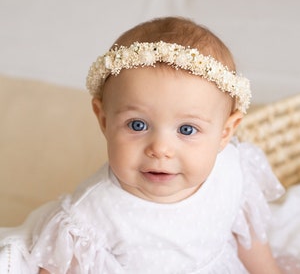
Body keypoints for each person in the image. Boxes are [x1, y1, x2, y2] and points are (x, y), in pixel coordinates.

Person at [1, 17, 286, 273]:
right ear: (103, 119)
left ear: (225, 133)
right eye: (137, 125)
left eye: (187, 129)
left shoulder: (230, 167)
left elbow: (249, 239)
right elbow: (57, 266)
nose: (160, 149)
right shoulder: (92, 214)